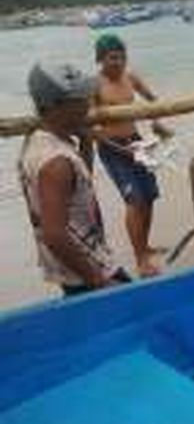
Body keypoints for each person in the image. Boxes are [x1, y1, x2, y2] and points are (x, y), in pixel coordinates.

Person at [18, 63, 130, 297]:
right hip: (87, 266)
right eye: (78, 99)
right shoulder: (56, 162)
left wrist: (86, 143)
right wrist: (98, 281)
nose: (87, 103)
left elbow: (77, 186)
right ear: (54, 106)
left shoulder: (39, 141)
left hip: (81, 262)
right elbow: (55, 235)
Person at [92, 34, 171, 277]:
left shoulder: (131, 77)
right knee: (134, 200)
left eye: (122, 57)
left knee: (149, 196)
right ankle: (140, 260)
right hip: (112, 148)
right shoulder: (94, 85)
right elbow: (90, 128)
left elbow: (152, 101)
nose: (118, 62)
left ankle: (145, 247)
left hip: (136, 142)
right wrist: (119, 149)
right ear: (100, 59)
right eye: (112, 58)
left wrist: (156, 123)